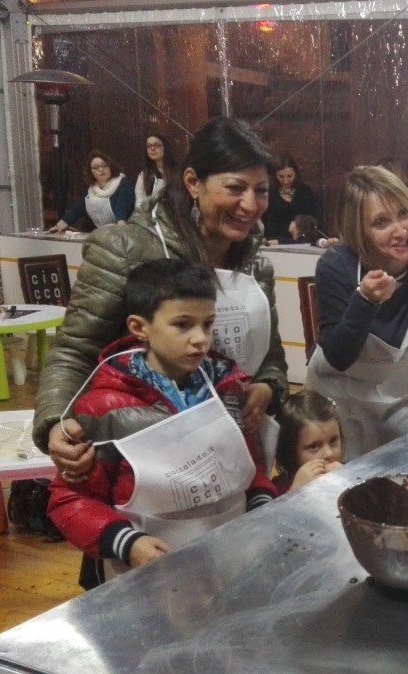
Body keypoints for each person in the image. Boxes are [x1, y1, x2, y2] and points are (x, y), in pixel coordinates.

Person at [36, 116, 290, 487]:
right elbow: (75, 351)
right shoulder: (126, 250)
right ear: (193, 183)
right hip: (140, 463)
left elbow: (271, 355)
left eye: (261, 191)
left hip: (232, 457)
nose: (250, 205)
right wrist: (55, 422)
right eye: (235, 188)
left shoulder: (255, 265)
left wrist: (267, 386)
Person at [46, 258, 277, 589]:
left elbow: (247, 466)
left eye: (208, 324)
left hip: (230, 560)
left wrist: (261, 504)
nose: (200, 339)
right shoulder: (104, 409)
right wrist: (125, 543)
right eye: (183, 325)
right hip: (146, 574)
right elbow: (69, 499)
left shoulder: (226, 391)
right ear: (140, 328)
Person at [306, 165, 408, 460]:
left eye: (404, 214)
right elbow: (339, 356)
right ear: (358, 231)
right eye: (381, 222)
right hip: (340, 401)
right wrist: (364, 301)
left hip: (403, 399)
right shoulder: (335, 265)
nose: (401, 231)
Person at [272, 390, 345, 494]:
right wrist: (295, 491)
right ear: (290, 453)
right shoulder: (278, 489)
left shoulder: (346, 471)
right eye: (314, 446)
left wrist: (347, 480)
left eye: (333, 441)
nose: (329, 453)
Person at [51, 150, 135, 233]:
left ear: (111, 167)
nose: (101, 169)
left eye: (104, 165)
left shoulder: (123, 184)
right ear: (91, 172)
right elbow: (76, 211)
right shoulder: (91, 190)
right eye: (96, 167)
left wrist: (121, 228)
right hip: (101, 234)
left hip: (124, 232)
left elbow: (121, 208)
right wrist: (60, 225)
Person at [262, 153, 320, 244]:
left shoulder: (305, 191)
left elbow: (314, 221)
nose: (286, 181)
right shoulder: (270, 192)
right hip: (273, 242)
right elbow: (263, 220)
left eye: (289, 176)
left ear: (295, 174)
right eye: (281, 176)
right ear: (275, 175)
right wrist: (263, 238)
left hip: (301, 242)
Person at [134, 133, 178, 207]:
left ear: (165, 147)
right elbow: (139, 203)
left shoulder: (177, 172)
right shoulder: (144, 175)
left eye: (156, 145)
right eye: (149, 146)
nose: (152, 149)